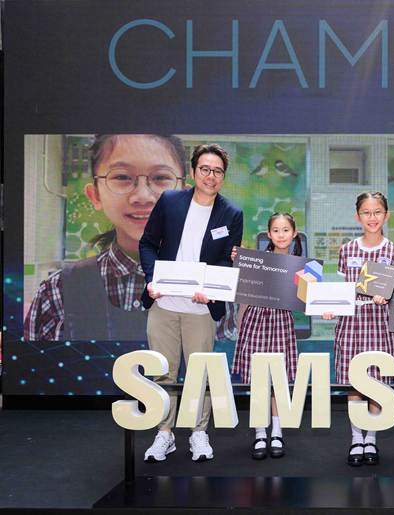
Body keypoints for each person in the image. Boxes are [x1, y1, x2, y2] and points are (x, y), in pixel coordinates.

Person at [24, 134, 188, 341]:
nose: (142, 196)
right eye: (122, 177)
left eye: (161, 178)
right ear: (95, 195)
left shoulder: (215, 289)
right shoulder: (57, 290)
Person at [139, 143, 243, 463]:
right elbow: (148, 243)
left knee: (201, 373)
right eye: (205, 169)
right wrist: (153, 279)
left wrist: (211, 288)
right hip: (164, 305)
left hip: (200, 308)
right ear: (194, 172)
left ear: (223, 176)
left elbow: (227, 260)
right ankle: (164, 434)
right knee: (163, 373)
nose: (211, 176)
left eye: (218, 171)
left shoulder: (232, 213)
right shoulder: (170, 201)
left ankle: (199, 432)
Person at [323, 192, 394, 467]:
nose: (372, 217)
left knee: (377, 384)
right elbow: (344, 290)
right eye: (367, 213)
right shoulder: (347, 250)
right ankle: (356, 438)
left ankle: (371, 439)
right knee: (354, 384)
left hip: (381, 325)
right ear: (358, 217)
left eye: (377, 212)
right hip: (352, 325)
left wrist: (389, 298)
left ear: (386, 215)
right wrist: (329, 306)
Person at [231, 213, 302, 460]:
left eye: (286, 230)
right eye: (276, 230)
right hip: (255, 321)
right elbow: (245, 296)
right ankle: (260, 433)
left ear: (294, 233)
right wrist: (241, 322)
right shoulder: (256, 261)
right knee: (259, 380)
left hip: (282, 323)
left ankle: (277, 432)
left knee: (278, 381)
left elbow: (308, 299)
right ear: (269, 234)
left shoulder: (302, 265)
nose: (281, 235)